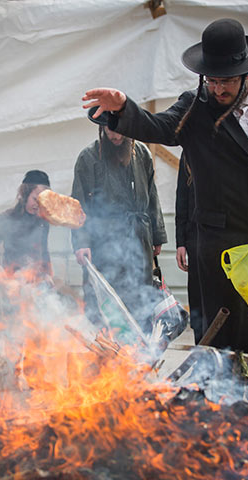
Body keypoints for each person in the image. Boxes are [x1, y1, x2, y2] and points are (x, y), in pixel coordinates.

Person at [82, 18, 248, 405]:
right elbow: (159, 127)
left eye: (227, 80)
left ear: (247, 73)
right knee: (228, 346)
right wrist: (123, 110)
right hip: (222, 244)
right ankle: (233, 420)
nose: (218, 88)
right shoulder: (195, 104)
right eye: (211, 79)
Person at [71, 111, 167, 334]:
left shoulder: (141, 152)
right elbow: (78, 204)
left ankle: (140, 358)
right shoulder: (88, 158)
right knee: (108, 305)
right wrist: (81, 242)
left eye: (120, 130)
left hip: (138, 238)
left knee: (140, 301)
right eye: (110, 129)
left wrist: (157, 233)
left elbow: (152, 194)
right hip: (104, 242)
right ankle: (111, 360)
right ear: (102, 128)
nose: (116, 136)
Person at [0, 170, 52, 280]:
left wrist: (48, 274)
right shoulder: (6, 218)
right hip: (11, 281)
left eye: (42, 200)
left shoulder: (43, 222)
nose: (38, 205)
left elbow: (44, 252)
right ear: (24, 195)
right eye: (35, 199)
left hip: (36, 281)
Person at [175, 155, 203, 344]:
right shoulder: (188, 153)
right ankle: (201, 351)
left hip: (223, 238)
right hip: (195, 238)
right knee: (198, 300)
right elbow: (182, 199)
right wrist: (181, 242)